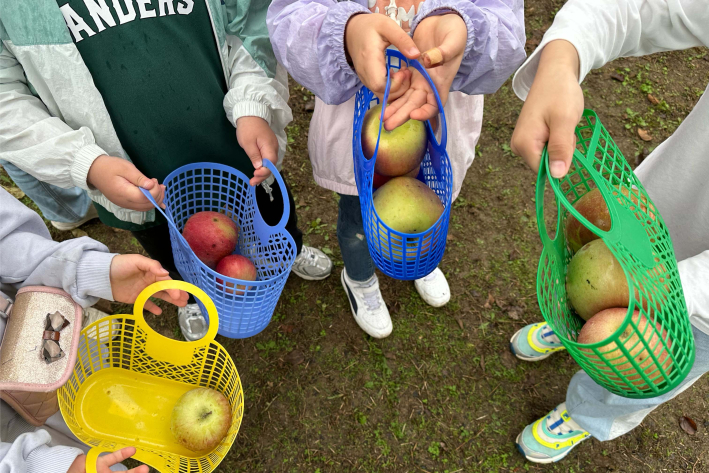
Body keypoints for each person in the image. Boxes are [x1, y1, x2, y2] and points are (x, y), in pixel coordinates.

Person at [0, 0, 332, 342]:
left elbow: (248, 20)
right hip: (136, 179)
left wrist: (253, 104)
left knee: (272, 213)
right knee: (167, 246)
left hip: (234, 144)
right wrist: (85, 163)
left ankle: (286, 253)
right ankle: (189, 295)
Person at [507, 0, 709, 463]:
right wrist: (564, 55)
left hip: (699, 314)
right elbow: (652, 7)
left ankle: (585, 415)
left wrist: (667, 293)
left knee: (635, 376)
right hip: (648, 222)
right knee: (590, 294)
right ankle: (582, 323)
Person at [267, 0, 526, 338]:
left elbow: (506, 28)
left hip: (435, 126)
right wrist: (346, 34)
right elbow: (289, 18)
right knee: (358, 218)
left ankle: (420, 262)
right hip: (360, 141)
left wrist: (466, 33)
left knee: (427, 208)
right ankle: (359, 278)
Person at [0, 187, 188, 472]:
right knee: (81, 452)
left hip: (34, 333)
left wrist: (89, 271)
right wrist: (45, 467)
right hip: (15, 434)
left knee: (102, 392)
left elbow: (8, 239)